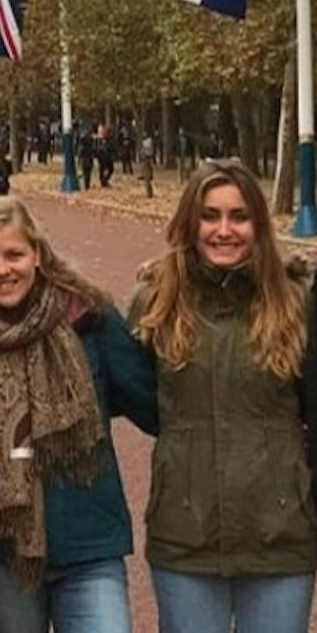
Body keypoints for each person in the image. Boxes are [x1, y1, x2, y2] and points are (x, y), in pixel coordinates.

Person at [0, 198, 157, 632]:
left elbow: (157, 405)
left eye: (14, 254)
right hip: (6, 556)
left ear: (37, 254)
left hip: (89, 543)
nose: (2, 270)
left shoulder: (90, 320)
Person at [130, 159, 315, 633]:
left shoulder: (298, 305)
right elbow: (136, 396)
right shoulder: (155, 303)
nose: (224, 230)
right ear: (190, 223)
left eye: (239, 216)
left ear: (259, 222)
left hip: (280, 537)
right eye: (210, 216)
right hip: (185, 536)